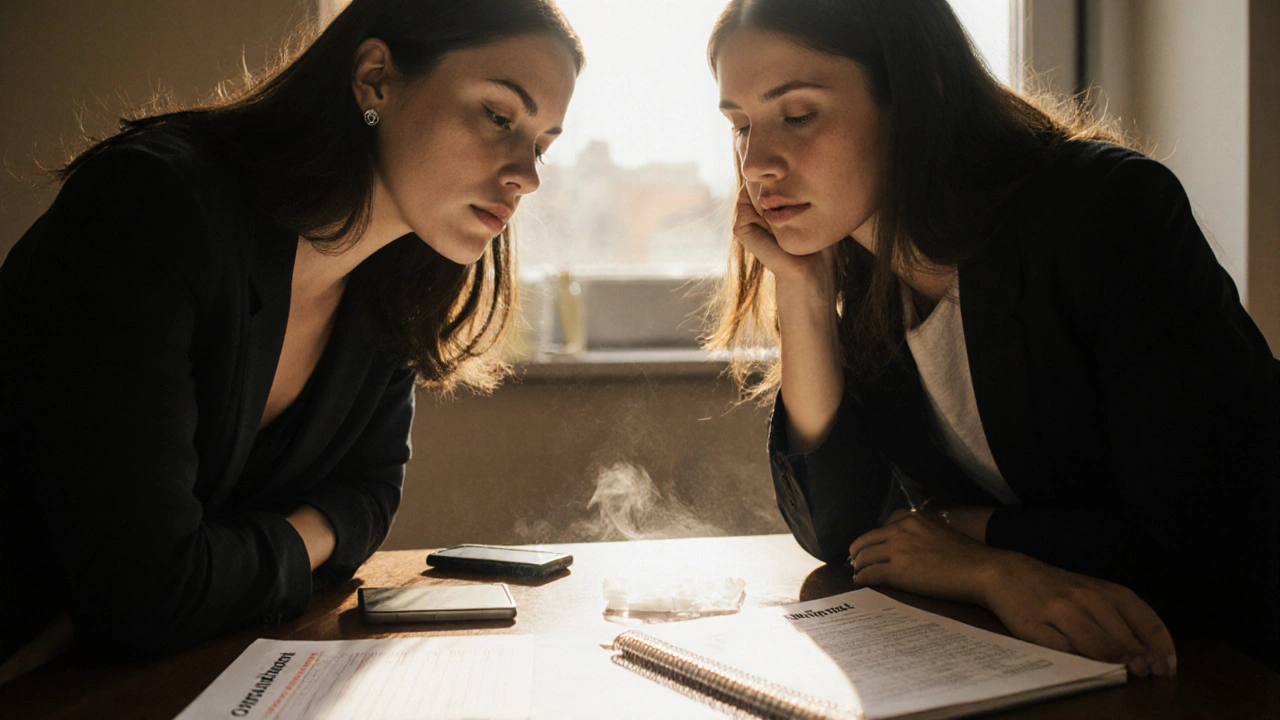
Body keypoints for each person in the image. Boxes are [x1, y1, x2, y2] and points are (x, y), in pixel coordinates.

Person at [0, 0, 581, 678]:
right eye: (497, 116)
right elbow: (147, 597)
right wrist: (302, 537)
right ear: (375, 80)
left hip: (156, 673)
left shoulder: (392, 287)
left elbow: (369, 498)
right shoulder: (154, 206)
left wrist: (226, 559)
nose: (527, 175)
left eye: (541, 144)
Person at [705, 0, 1280, 674]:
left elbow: (1197, 536)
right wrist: (801, 292)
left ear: (917, 97)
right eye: (740, 126)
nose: (758, 163)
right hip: (1101, 659)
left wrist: (972, 552)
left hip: (1243, 646)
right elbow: (840, 531)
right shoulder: (863, 276)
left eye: (797, 115)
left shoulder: (1109, 211)